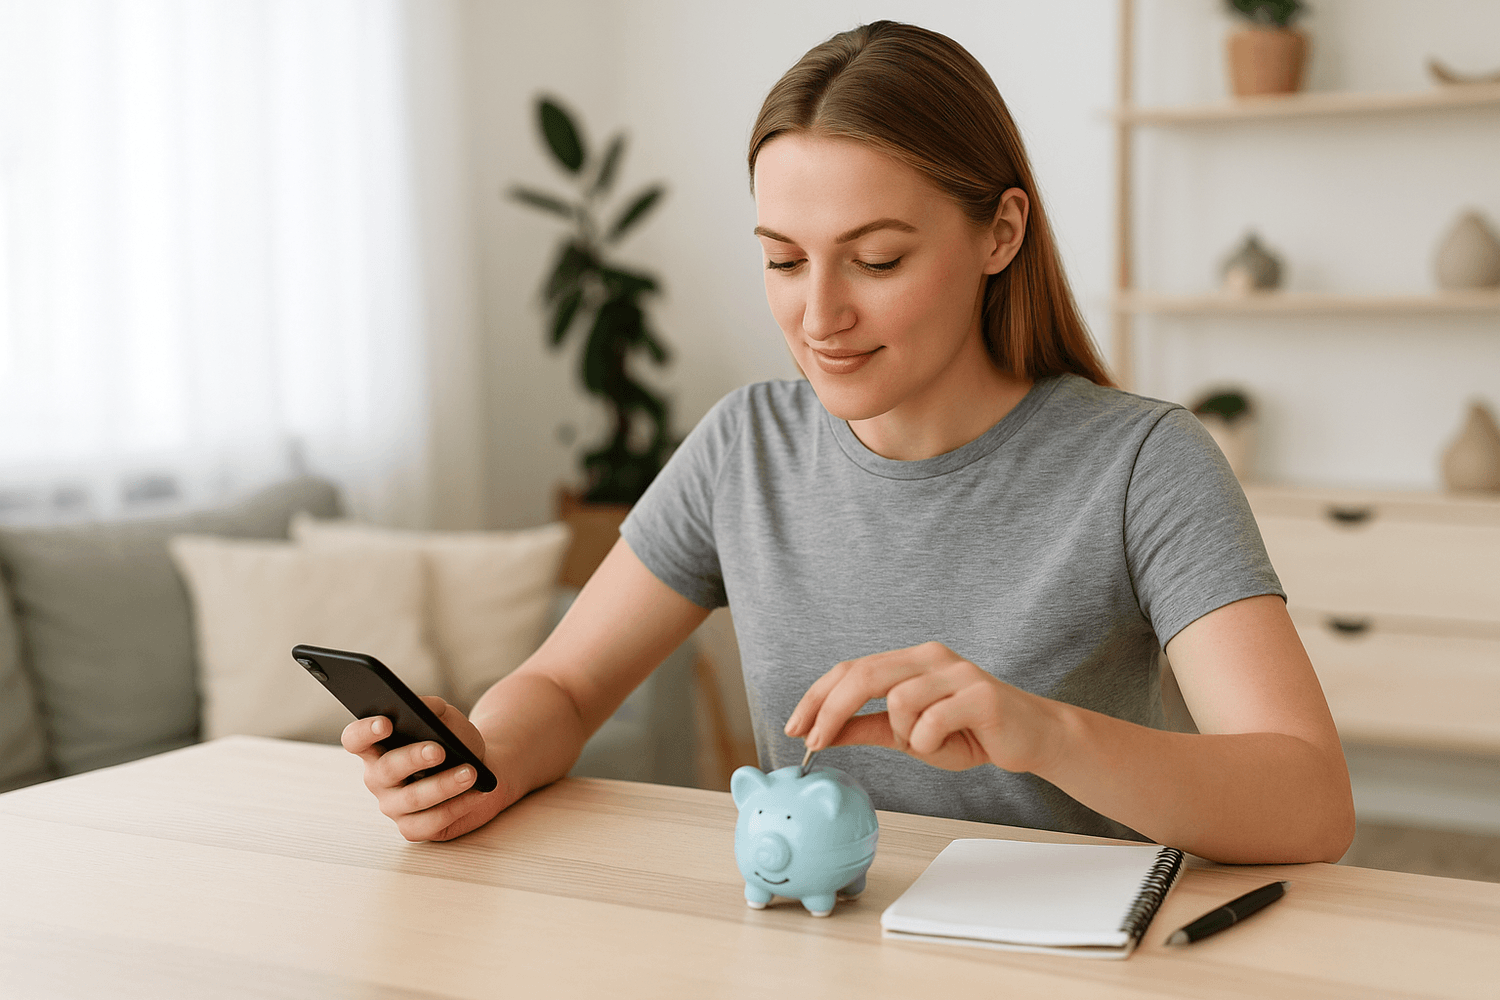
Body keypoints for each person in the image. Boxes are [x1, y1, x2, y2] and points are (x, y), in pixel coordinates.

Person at [343, 21, 1354, 865]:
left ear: (999, 234)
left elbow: (1310, 798)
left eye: (875, 259)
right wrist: (482, 757)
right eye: (784, 259)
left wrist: (1042, 732)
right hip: (814, 942)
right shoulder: (746, 446)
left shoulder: (1143, 464)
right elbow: (563, 686)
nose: (819, 312)